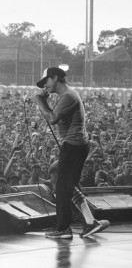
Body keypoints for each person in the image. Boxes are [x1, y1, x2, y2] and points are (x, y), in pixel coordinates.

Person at [31, 67, 109, 239]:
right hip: (77, 145)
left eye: (46, 81)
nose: (45, 86)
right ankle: (90, 222)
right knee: (69, 186)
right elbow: (54, 115)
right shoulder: (66, 96)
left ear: (55, 78)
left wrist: (39, 101)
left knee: (61, 187)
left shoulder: (68, 96)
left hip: (73, 146)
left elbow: (52, 119)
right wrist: (44, 102)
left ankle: (63, 229)